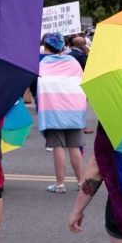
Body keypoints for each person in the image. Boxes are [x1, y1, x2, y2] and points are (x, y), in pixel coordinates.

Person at [38, 32, 86, 193]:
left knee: (58, 147)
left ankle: (60, 185)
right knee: (74, 146)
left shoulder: (43, 64)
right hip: (73, 109)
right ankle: (81, 182)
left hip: (53, 111)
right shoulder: (73, 62)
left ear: (46, 47)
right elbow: (81, 83)